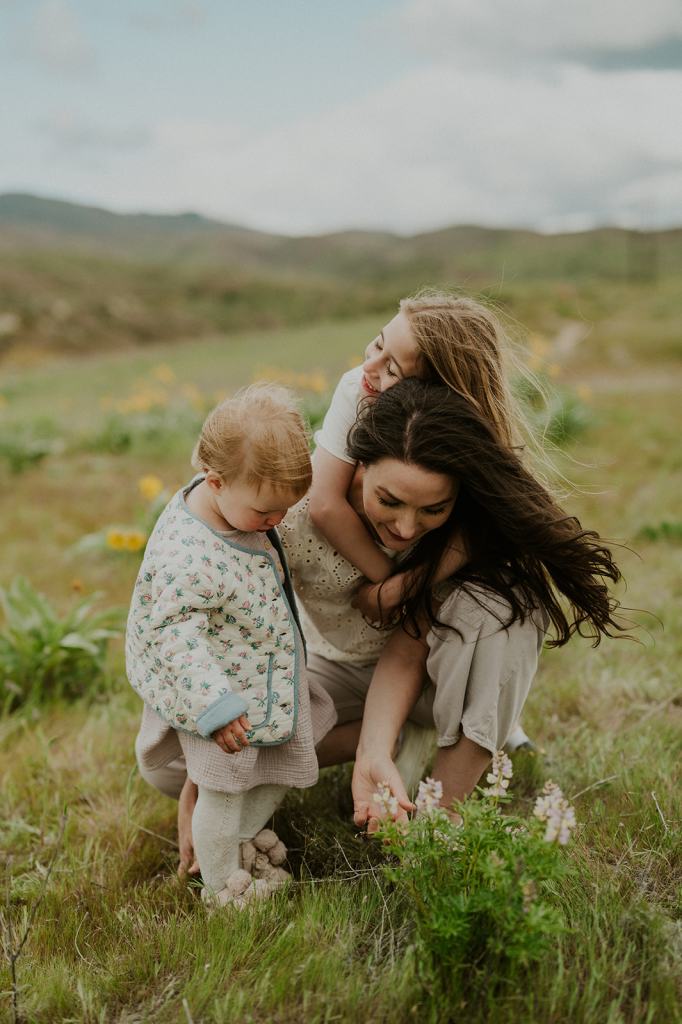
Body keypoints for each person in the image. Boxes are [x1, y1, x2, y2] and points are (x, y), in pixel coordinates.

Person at [278, 378, 625, 828]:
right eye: (389, 500)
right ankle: (397, 741)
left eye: (432, 510)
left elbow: (409, 648)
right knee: (178, 767)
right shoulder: (297, 509)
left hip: (435, 678)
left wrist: (405, 585)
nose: (406, 527)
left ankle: (439, 822)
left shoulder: (470, 528)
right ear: (359, 462)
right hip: (336, 664)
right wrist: (372, 748)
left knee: (507, 607)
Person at [127, 384, 336, 906]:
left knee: (280, 768)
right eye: (266, 512)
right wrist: (213, 706)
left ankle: (244, 840)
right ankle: (223, 886)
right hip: (219, 700)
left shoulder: (238, 502)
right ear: (215, 482)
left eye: (284, 510)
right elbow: (173, 634)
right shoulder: (189, 553)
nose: (278, 522)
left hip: (263, 677)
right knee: (222, 793)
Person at [309, 289, 537, 750]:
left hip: (436, 587)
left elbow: (483, 529)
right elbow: (323, 503)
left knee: (474, 617)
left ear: (436, 393)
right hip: (363, 605)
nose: (370, 366)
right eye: (377, 344)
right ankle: (386, 733)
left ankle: (481, 721)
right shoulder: (360, 386)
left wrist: (403, 588)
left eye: (393, 367)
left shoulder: (467, 434)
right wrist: (383, 580)